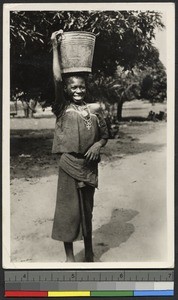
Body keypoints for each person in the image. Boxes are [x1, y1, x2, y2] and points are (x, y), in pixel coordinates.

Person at [51, 30, 109, 262]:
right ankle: (69, 257)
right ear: (66, 89)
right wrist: (55, 47)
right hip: (69, 164)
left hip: (89, 165)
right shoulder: (61, 108)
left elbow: (105, 136)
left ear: (86, 88)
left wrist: (97, 145)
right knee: (68, 211)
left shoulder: (93, 110)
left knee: (87, 211)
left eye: (81, 87)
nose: (78, 91)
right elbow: (56, 78)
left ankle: (90, 252)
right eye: (73, 87)